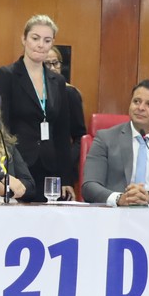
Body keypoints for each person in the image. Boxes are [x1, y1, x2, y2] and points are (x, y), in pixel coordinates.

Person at [0, 15, 72, 202]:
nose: (41, 45)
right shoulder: (6, 75)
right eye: (35, 38)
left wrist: (66, 178)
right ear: (24, 39)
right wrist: (6, 169)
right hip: (17, 165)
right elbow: (0, 127)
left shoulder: (58, 81)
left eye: (47, 40)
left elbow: (62, 132)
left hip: (49, 167)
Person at [82, 80, 149, 206]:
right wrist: (120, 199)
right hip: (115, 213)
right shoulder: (105, 138)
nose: (140, 108)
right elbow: (89, 186)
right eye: (136, 101)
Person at [44, 46, 86, 200]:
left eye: (56, 63)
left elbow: (80, 137)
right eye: (47, 64)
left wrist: (65, 163)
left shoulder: (69, 93)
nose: (52, 68)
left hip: (60, 170)